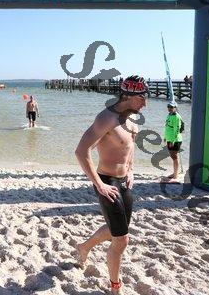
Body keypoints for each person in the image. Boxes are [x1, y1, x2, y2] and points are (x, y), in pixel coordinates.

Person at [74, 75, 147, 294]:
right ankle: (116, 287)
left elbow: (130, 147)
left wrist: (131, 170)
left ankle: (84, 247)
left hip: (125, 182)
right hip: (107, 181)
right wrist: (99, 185)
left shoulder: (133, 118)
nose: (145, 103)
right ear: (127, 96)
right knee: (122, 240)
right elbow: (81, 151)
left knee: (118, 231)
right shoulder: (106, 118)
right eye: (142, 98)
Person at [163, 100, 183, 183]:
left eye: (171, 107)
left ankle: (175, 176)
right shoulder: (169, 115)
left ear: (175, 108)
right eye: (168, 106)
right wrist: (165, 137)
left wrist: (173, 141)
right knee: (172, 156)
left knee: (174, 156)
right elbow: (167, 127)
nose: (169, 108)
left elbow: (177, 130)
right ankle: (175, 172)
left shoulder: (176, 117)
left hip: (175, 140)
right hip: (169, 138)